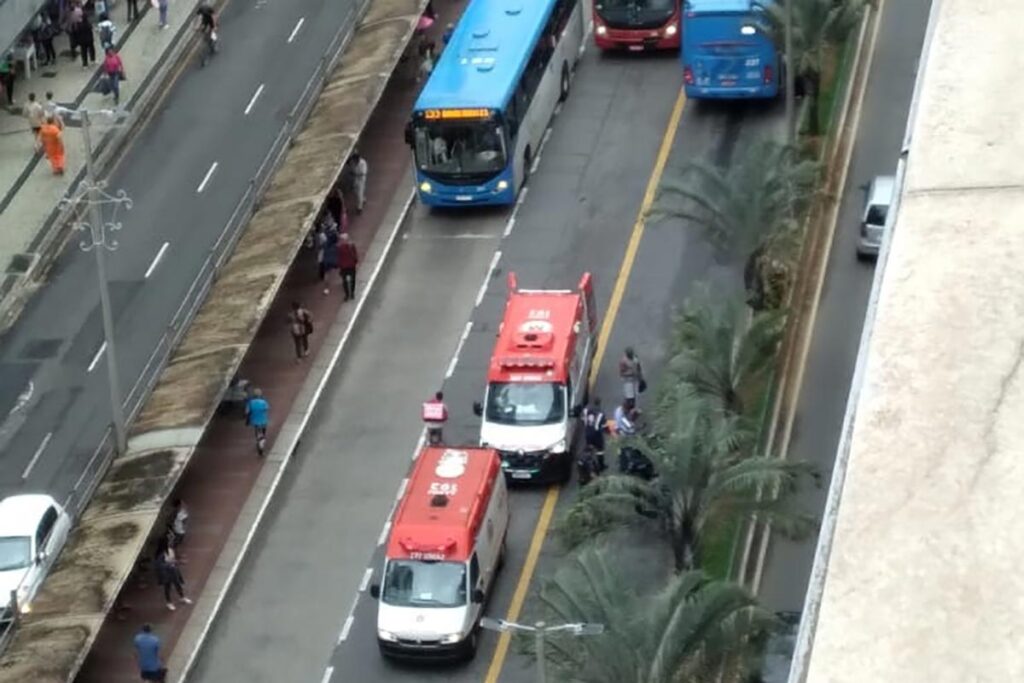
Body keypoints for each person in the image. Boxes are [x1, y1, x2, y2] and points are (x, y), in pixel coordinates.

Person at [154, 541, 192, 611]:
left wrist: (179, 562)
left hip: (173, 570)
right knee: (167, 588)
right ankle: (169, 602)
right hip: (166, 573)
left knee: (178, 584)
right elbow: (159, 565)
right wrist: (169, 565)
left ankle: (182, 597)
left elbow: (173, 560)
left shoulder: (171, 551)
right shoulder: (161, 555)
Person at [581, 397, 608, 472]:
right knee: (600, 450)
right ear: (599, 404)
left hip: (588, 433)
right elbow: (604, 426)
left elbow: (582, 420)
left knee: (589, 448)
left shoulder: (586, 410)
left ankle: (588, 464)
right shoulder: (601, 414)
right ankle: (601, 466)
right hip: (597, 434)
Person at [317, 221, 340, 295]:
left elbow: (321, 246)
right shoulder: (332, 236)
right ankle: (345, 278)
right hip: (333, 255)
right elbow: (337, 238)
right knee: (340, 265)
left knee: (327, 273)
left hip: (326, 257)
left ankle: (326, 288)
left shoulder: (324, 237)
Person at [245, 388, 270, 455]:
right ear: (260, 395)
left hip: (254, 420)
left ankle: (258, 440)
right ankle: (262, 442)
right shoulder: (263, 402)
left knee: (257, 431)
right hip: (263, 420)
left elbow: (247, 411)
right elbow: (266, 409)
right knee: (263, 431)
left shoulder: (250, 402)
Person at [337, 232, 358, 301]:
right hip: (351, 265)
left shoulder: (340, 247)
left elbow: (339, 257)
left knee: (345, 281)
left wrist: (339, 266)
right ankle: (352, 293)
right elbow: (355, 254)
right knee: (352, 280)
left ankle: (347, 295)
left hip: (344, 266)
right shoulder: (351, 245)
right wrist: (355, 261)